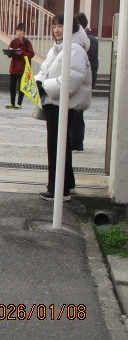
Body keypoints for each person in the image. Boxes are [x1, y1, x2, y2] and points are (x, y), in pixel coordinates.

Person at [35, 14, 92, 202]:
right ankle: (67, 183)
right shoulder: (59, 47)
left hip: (61, 103)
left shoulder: (74, 49)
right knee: (61, 145)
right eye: (54, 26)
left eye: (61, 26)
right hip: (54, 102)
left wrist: (44, 87)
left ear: (72, 28)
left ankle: (59, 190)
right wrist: (36, 82)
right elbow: (44, 71)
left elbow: (70, 81)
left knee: (56, 146)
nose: (56, 30)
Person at [70, 12, 99, 151]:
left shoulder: (87, 40)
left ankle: (76, 143)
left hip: (83, 81)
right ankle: (74, 141)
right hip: (84, 80)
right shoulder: (90, 39)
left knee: (77, 113)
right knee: (75, 112)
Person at [5, 22, 35, 109]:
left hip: (23, 68)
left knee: (21, 87)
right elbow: (9, 55)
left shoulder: (27, 43)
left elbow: (31, 54)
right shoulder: (13, 42)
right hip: (14, 67)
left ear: (24, 32)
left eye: (20, 31)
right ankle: (12, 103)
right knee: (12, 86)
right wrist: (9, 52)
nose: (18, 33)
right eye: (17, 31)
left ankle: (19, 103)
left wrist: (21, 53)